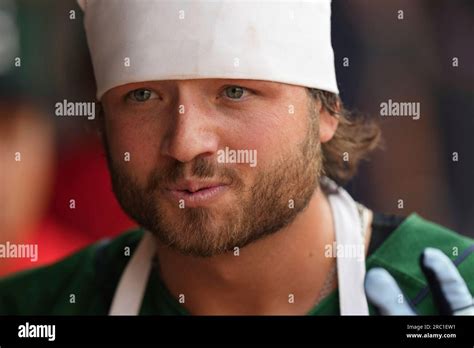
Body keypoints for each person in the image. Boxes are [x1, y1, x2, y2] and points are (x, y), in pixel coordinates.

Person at [0, 0, 472, 316]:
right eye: (143, 96)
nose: (185, 143)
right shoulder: (34, 310)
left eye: (234, 91)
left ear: (326, 108)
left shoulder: (451, 289)